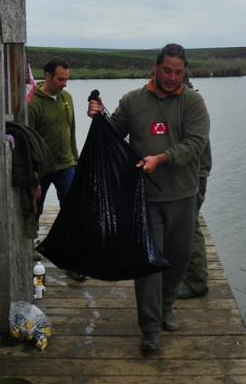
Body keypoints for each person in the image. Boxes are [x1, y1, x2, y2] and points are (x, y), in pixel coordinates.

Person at [88, 43, 210, 355]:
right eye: (167, 70)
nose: (172, 77)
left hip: (183, 195)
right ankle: (150, 328)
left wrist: (163, 158)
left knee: (177, 259)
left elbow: (195, 144)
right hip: (145, 196)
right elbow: (113, 134)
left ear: (185, 72)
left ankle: (166, 306)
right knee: (148, 262)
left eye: (178, 72)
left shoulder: (193, 102)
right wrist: (98, 118)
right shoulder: (133, 101)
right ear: (156, 67)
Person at [28, 56, 85, 282]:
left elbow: (71, 131)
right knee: (34, 210)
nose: (65, 84)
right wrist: (33, 178)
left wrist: (76, 161)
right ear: (48, 76)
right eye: (61, 79)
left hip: (66, 165)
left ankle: (73, 260)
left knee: (72, 210)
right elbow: (28, 142)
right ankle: (29, 250)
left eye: (66, 79)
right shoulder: (33, 103)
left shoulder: (67, 98)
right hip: (42, 169)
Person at [176, 139, 212, 299]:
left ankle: (196, 282)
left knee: (189, 225)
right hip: (184, 175)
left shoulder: (194, 121)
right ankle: (184, 275)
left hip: (193, 175)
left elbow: (193, 144)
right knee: (183, 225)